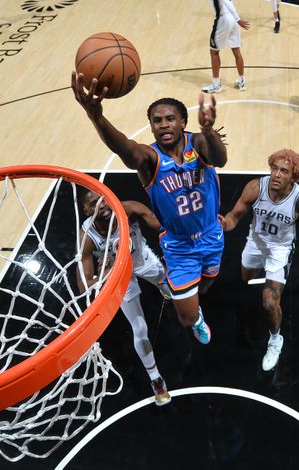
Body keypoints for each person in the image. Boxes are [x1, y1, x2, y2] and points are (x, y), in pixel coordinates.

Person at [71, 72, 227, 347]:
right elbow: (125, 149)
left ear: (183, 122)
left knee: (207, 282)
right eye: (157, 121)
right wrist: (96, 116)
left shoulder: (199, 143)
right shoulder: (149, 158)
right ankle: (198, 316)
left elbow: (220, 159)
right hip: (179, 246)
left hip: (212, 232)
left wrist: (209, 132)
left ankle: (195, 291)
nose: (164, 125)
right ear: (151, 127)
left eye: (170, 119)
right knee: (187, 318)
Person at [218, 149, 299, 371]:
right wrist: (224, 224)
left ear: (293, 176)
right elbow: (235, 216)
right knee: (245, 276)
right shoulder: (256, 187)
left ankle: (275, 340)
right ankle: (254, 286)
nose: (276, 174)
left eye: (284, 171)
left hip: (280, 250)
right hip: (255, 241)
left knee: (269, 302)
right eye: (274, 168)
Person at [77, 192, 173, 406]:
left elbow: (159, 224)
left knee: (176, 291)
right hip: (120, 276)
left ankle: (194, 318)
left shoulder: (127, 208)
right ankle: (156, 379)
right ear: (87, 211)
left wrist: (171, 234)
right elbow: (83, 285)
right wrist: (111, 269)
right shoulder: (87, 238)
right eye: (94, 203)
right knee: (139, 329)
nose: (102, 204)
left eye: (103, 198)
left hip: (142, 261)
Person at [199, 0, 251, 94]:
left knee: (214, 51)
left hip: (224, 19)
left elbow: (225, 0)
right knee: (236, 50)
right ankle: (241, 81)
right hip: (232, 18)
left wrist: (238, 18)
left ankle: (216, 85)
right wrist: (236, 18)